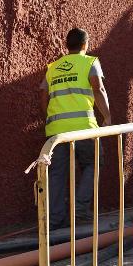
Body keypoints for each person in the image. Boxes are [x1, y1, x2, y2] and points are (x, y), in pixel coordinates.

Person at [41, 27, 112, 227]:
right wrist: (107, 117)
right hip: (83, 128)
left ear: (66, 45)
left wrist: (51, 118)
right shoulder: (90, 62)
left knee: (57, 173)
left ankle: (55, 219)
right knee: (93, 163)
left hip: (56, 131)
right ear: (85, 45)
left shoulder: (53, 67)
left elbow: (43, 97)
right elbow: (99, 89)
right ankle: (80, 209)